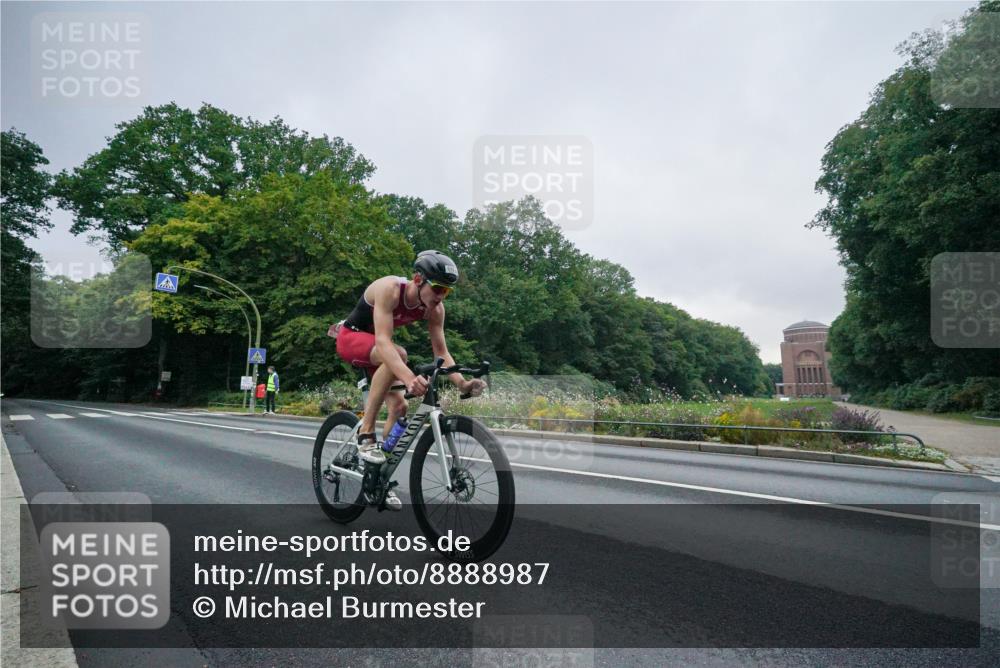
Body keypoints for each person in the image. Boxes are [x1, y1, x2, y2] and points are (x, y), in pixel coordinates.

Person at [334, 251, 485, 510]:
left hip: (381, 354)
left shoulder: (435, 309)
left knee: (400, 407)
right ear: (418, 279)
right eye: (437, 288)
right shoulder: (390, 290)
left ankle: (378, 478)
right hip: (351, 339)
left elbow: (441, 352)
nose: (440, 296)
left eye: (446, 291)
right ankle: (366, 433)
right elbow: (383, 342)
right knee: (399, 353)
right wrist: (409, 377)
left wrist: (462, 383)